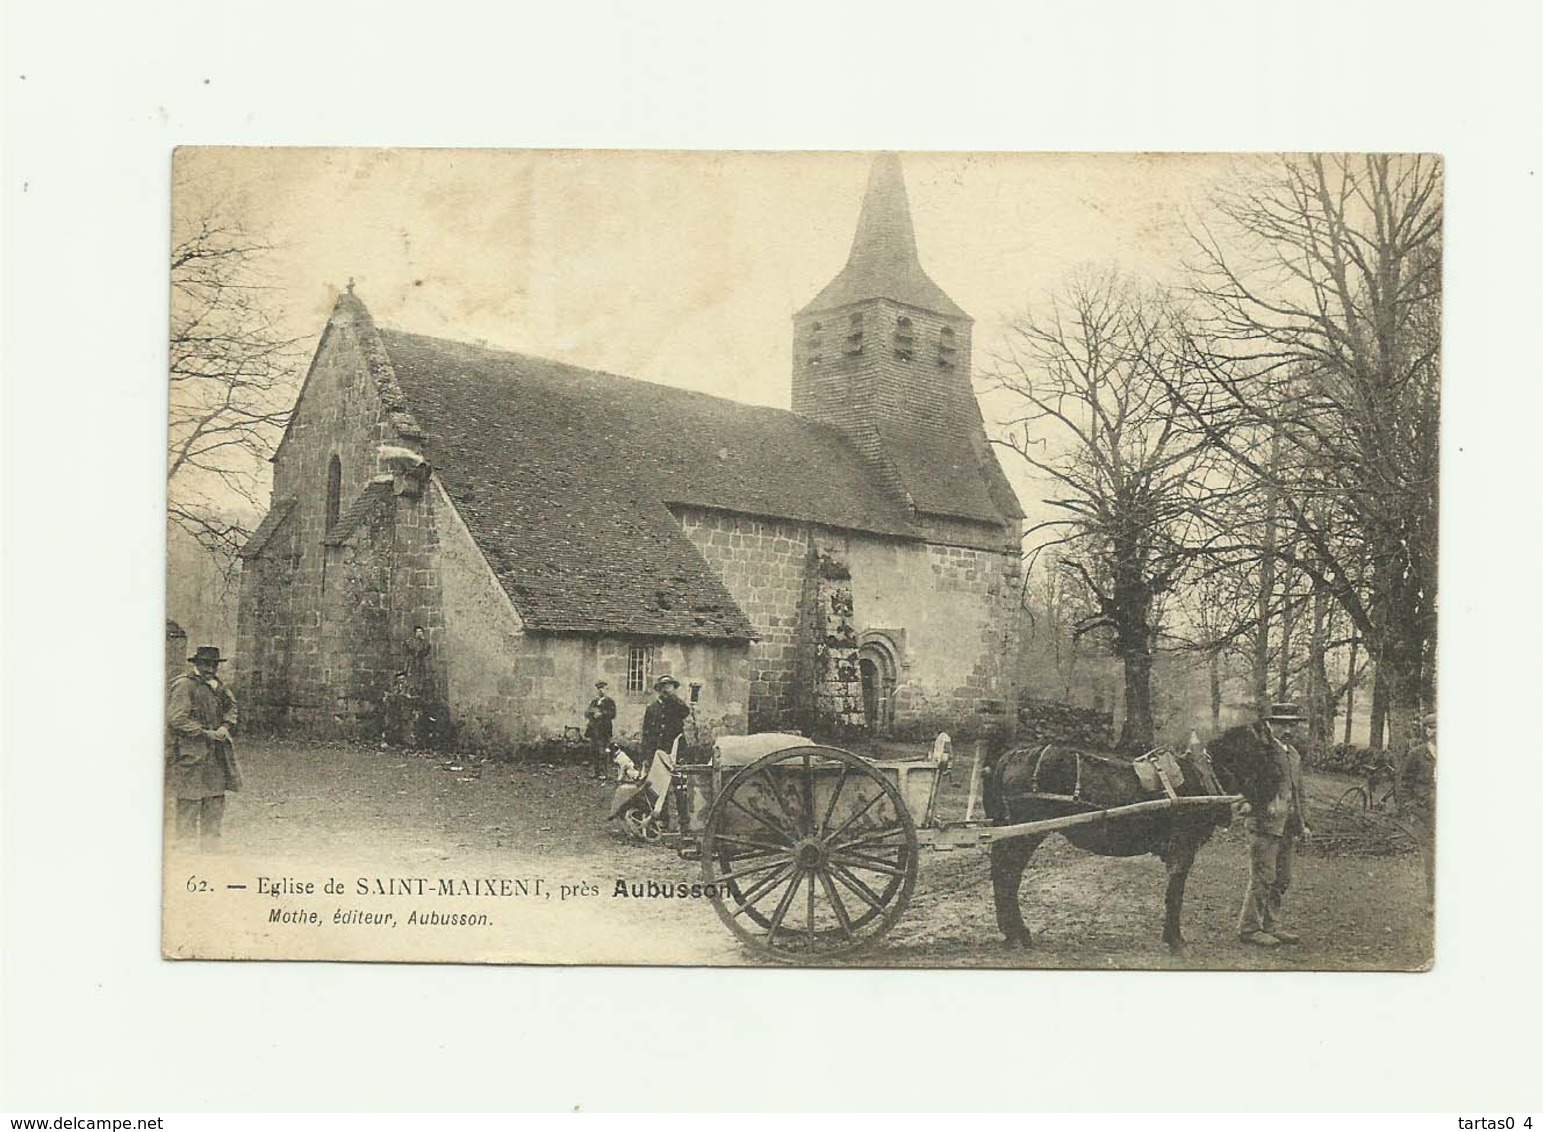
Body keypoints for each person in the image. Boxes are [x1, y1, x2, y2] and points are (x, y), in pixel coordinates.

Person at [1237, 701, 1311, 947]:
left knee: (1283, 879)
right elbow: (1245, 783)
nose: (1287, 730)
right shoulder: (1261, 751)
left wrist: (1304, 823)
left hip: (1287, 826)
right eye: (1281, 724)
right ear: (1269, 725)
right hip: (1264, 824)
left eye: (1292, 725)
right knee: (1263, 877)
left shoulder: (1294, 755)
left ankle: (1272, 925)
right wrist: (1249, 804)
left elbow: (1298, 791)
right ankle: (1249, 928)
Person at [165, 645, 243, 852]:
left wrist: (225, 726)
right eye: (206, 664)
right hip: (191, 754)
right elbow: (176, 718)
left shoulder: (218, 686)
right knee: (189, 801)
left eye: (213, 665)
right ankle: (185, 851)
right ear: (197, 664)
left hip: (216, 755)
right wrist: (205, 733)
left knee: (214, 800)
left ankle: (211, 850)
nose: (210, 669)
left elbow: (231, 707)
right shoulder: (184, 686)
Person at [641, 675, 691, 830]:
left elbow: (685, 712)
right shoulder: (652, 709)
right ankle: (662, 820)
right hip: (659, 753)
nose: (666, 689)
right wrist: (647, 756)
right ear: (658, 690)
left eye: (669, 686)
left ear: (674, 689)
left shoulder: (677, 707)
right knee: (657, 786)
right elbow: (647, 734)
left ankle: (685, 821)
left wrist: (673, 697)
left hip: (676, 752)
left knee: (680, 787)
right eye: (663, 686)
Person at [583, 680, 617, 779]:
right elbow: (587, 713)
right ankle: (596, 772)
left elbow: (613, 714)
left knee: (604, 751)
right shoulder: (594, 701)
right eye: (599, 689)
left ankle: (604, 773)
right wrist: (592, 713)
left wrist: (602, 714)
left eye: (603, 688)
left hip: (604, 730)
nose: (601, 691)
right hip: (594, 730)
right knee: (594, 751)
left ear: (606, 690)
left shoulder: (610, 702)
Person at [382, 670, 417, 748]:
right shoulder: (394, 687)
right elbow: (391, 696)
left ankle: (408, 742)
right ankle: (395, 741)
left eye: (403, 679)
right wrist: (388, 697)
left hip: (406, 709)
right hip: (396, 710)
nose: (401, 680)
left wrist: (409, 697)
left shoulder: (410, 687)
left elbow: (414, 697)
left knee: (406, 724)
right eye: (399, 679)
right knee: (394, 724)